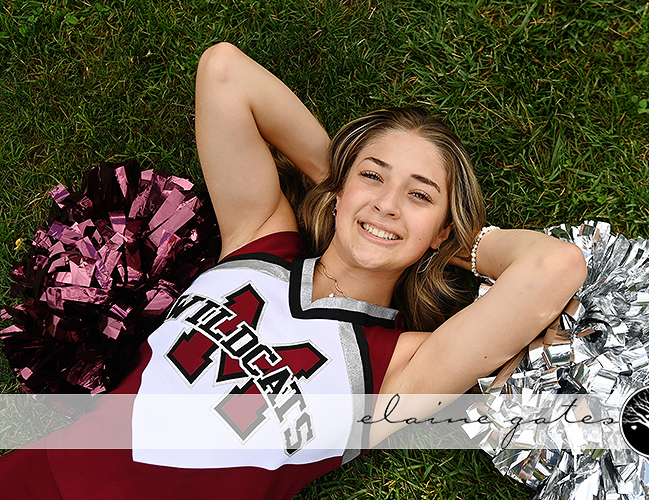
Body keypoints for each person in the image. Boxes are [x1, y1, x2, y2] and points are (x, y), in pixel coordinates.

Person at [0, 42, 586, 499]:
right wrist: (343, 189)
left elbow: (554, 265)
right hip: (34, 476)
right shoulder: (261, 239)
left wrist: (446, 243)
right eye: (373, 175)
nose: (387, 203)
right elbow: (223, 72)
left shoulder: (400, 369)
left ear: (442, 229)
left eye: (420, 195)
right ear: (339, 187)